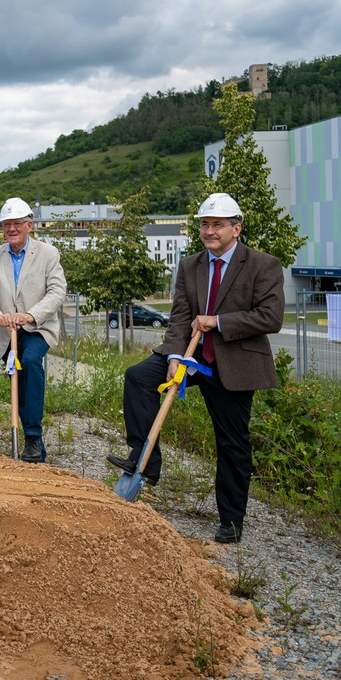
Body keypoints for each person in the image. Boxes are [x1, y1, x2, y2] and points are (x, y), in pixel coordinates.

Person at [109, 193, 284, 544]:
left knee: (232, 442)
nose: (209, 231)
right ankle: (146, 459)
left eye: (217, 225)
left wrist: (217, 322)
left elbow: (271, 317)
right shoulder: (191, 266)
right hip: (189, 356)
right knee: (138, 378)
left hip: (232, 363)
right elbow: (180, 317)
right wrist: (173, 356)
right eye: (205, 224)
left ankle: (231, 522)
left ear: (236, 228)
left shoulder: (263, 265)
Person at [0, 197, 67, 463]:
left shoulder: (48, 253)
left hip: (38, 327)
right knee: (17, 378)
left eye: (17, 223)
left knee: (29, 362)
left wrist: (31, 314)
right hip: (8, 330)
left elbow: (57, 290)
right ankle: (33, 444)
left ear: (30, 225)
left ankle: (33, 437)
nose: (11, 229)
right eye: (7, 224)